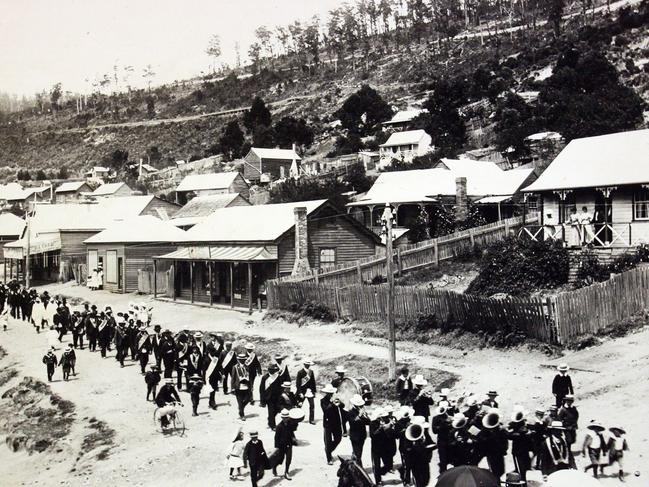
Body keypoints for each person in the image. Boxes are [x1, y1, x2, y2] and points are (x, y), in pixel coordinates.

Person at [507, 408, 534, 482]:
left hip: (525, 451)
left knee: (525, 469)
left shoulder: (525, 426)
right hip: (517, 452)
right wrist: (519, 434)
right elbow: (508, 435)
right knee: (520, 469)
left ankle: (523, 482)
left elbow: (530, 436)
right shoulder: (514, 426)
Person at [321, 385, 346, 465]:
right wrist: (332, 403)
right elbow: (325, 410)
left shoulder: (335, 398)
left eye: (331, 393)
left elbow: (343, 406)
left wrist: (339, 402)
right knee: (328, 441)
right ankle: (329, 458)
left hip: (336, 422)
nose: (330, 394)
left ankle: (328, 450)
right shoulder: (323, 400)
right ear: (326, 393)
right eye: (329, 393)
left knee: (338, 439)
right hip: (328, 423)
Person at [273, 409, 296, 480]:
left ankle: (286, 472)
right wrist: (276, 447)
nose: (286, 419)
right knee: (280, 459)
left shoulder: (290, 424)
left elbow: (292, 432)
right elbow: (276, 437)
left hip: (289, 444)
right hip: (281, 445)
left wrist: (294, 438)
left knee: (289, 458)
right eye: (284, 418)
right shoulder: (279, 427)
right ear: (282, 418)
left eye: (287, 417)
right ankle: (274, 467)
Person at [347, 394, 370, 466]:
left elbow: (368, 422)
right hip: (355, 436)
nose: (361, 407)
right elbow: (353, 422)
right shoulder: (351, 412)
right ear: (355, 405)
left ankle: (353, 464)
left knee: (358, 452)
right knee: (358, 455)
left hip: (362, 436)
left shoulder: (363, 412)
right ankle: (360, 469)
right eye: (360, 406)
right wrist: (359, 415)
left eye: (361, 405)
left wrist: (365, 416)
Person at [260, 363, 282, 430]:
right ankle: (273, 425)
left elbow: (280, 387)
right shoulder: (264, 377)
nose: (272, 371)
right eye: (271, 370)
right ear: (268, 370)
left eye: (273, 370)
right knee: (271, 411)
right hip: (269, 398)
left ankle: (270, 419)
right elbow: (262, 389)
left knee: (277, 410)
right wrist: (262, 400)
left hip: (277, 397)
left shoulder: (277, 377)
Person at [295, 359, 316, 424]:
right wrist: (299, 392)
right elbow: (298, 384)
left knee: (312, 405)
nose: (308, 365)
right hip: (302, 391)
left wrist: (314, 391)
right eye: (307, 364)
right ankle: (297, 418)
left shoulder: (311, 372)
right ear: (304, 364)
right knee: (299, 405)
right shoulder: (300, 372)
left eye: (309, 364)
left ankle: (311, 420)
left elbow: (313, 382)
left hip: (309, 391)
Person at [231, 353, 251, 420]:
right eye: (241, 360)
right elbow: (233, 378)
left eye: (243, 359)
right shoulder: (235, 367)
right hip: (238, 387)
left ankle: (241, 407)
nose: (242, 361)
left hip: (246, 386)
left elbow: (249, 377)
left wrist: (251, 386)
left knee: (248, 399)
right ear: (239, 360)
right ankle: (242, 415)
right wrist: (232, 387)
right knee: (240, 401)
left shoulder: (247, 367)